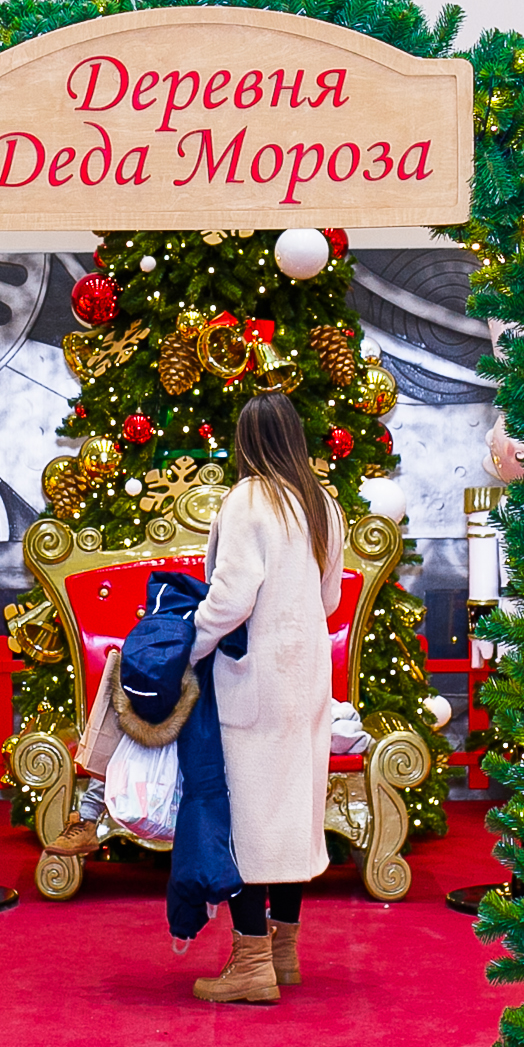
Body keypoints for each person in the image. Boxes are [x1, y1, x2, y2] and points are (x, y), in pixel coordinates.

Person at [184, 390, 344, 1005]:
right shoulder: (323, 503)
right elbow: (329, 599)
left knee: (249, 822)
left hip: (254, 682)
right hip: (306, 678)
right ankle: (283, 954)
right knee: (292, 815)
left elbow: (230, 599)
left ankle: (251, 963)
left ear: (247, 441)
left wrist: (190, 646)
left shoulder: (248, 499)